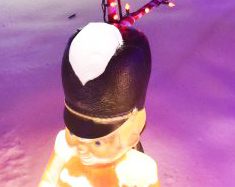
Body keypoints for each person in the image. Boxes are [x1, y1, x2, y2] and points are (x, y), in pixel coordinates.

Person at [39, 22, 160, 187]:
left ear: (132, 134)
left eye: (97, 142)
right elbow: (48, 179)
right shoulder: (64, 148)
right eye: (74, 134)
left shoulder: (136, 170)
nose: (81, 148)